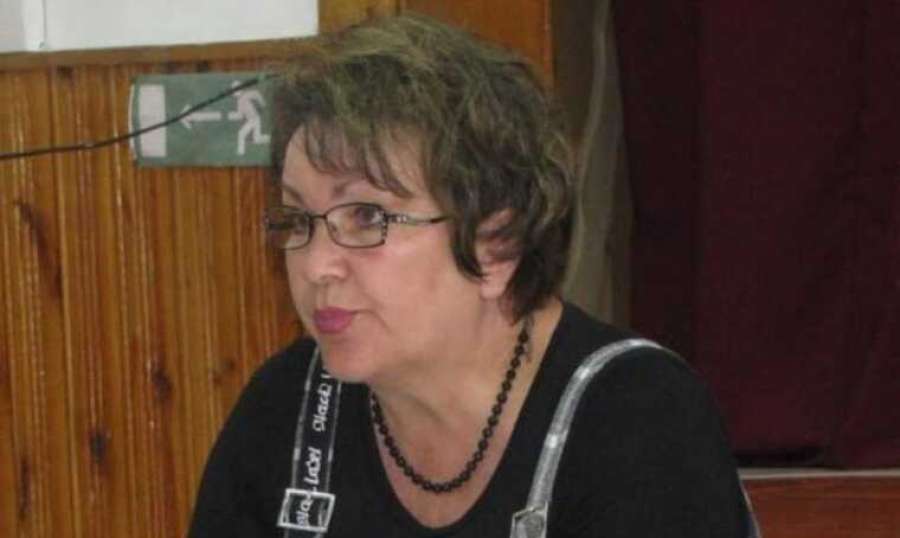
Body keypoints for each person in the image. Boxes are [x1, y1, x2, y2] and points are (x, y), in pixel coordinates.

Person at [188, 14, 752, 537]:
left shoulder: (638, 419)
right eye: (298, 220)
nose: (316, 266)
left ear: (496, 245)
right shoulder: (288, 405)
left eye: (367, 217)